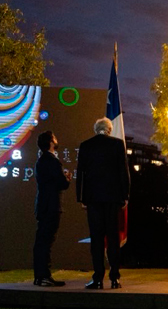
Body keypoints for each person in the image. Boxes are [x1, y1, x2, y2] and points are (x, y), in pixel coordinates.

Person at [76, 117, 130, 289]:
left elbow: (81, 174)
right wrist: (125, 195)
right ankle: (115, 278)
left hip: (93, 199)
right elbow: (124, 171)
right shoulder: (117, 144)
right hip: (113, 198)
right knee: (113, 238)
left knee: (96, 239)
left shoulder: (86, 145)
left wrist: (81, 197)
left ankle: (98, 278)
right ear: (109, 129)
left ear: (95, 129)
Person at [33, 130, 71, 287]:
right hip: (52, 206)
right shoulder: (53, 161)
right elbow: (62, 183)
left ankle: (39, 276)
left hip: (43, 205)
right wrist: (67, 177)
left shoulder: (40, 161)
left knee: (41, 241)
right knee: (46, 242)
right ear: (50, 142)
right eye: (54, 138)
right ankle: (44, 276)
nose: (57, 140)